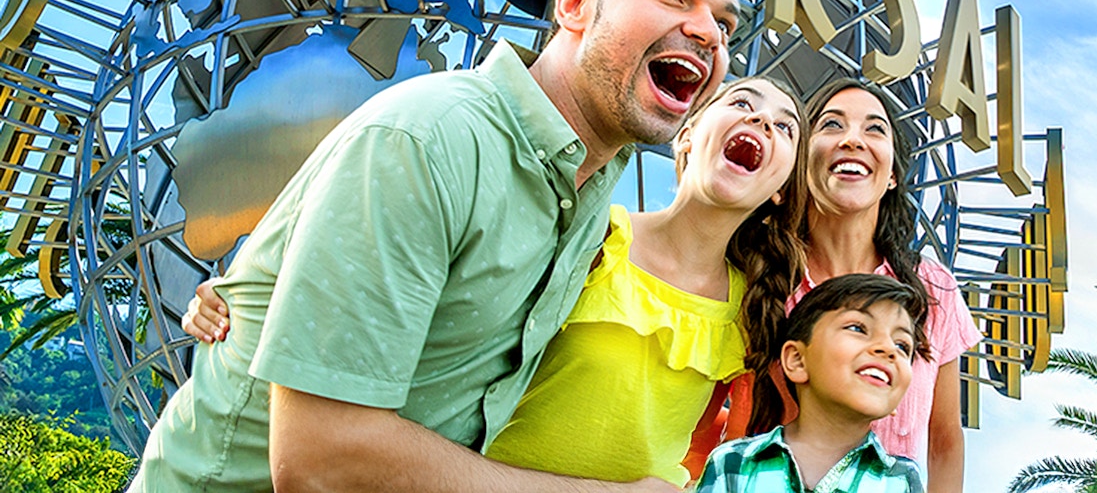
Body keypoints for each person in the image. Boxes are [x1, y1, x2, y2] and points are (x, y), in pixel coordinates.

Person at [130, 0, 740, 493]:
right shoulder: (428, 140)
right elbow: (321, 462)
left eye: (725, 23)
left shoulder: (591, 192)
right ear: (576, 3)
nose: (708, 31)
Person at [185, 75, 811, 487]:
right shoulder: (591, 238)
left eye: (785, 127)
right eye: (741, 103)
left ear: (781, 187)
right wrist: (243, 299)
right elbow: (420, 292)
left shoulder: (760, 310)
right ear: (688, 136)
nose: (761, 123)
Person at [735, 78, 983, 493]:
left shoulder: (933, 290)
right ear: (801, 160)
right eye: (831, 125)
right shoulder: (755, 274)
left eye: (874, 129)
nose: (853, 140)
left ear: (891, 177)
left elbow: (943, 440)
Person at [695, 273, 929, 493]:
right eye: (857, 328)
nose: (888, 349)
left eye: (902, 345)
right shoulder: (732, 463)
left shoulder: (901, 480)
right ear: (797, 360)